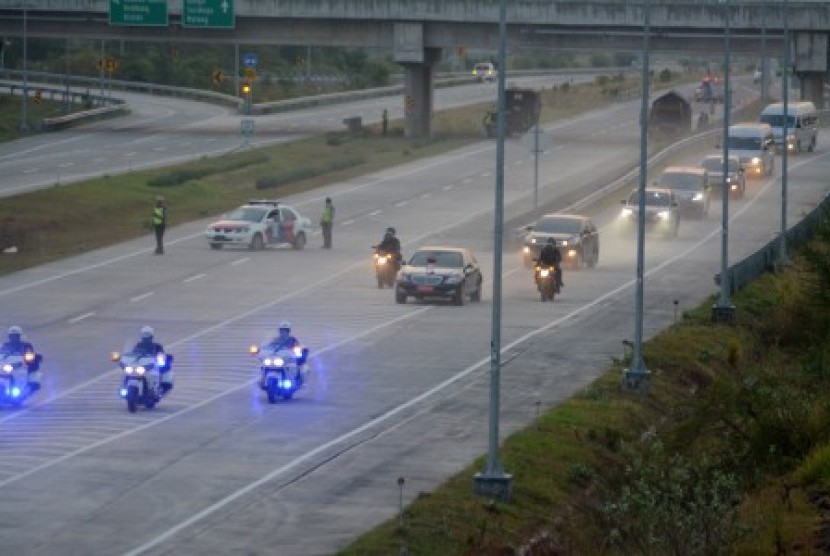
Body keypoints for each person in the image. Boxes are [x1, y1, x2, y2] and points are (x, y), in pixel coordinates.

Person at [131, 326, 173, 394]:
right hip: (142, 365)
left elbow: (162, 355)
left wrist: (162, 358)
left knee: (156, 374)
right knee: (130, 373)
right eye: (144, 334)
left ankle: (156, 389)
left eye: (147, 334)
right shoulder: (138, 345)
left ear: (151, 335)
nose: (146, 336)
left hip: (152, 366)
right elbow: (133, 354)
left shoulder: (157, 346)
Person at [0, 325, 42, 393]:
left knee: (27, 376)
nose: (14, 338)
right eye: (12, 336)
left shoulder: (26, 345)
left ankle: (26, 390)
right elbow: (1, 354)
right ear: (9, 336)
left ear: (19, 336)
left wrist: (31, 357)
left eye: (16, 336)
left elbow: (31, 355)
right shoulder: (5, 345)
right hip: (7, 366)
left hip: (20, 367)